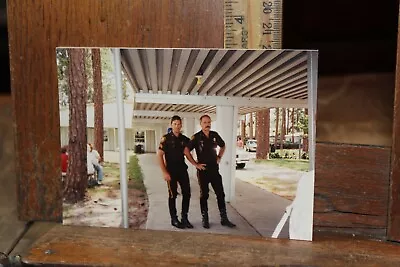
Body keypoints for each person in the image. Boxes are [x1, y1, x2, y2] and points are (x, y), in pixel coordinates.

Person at [184, 114, 236, 229]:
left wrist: (219, 157)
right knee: (204, 195)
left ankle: (224, 218)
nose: (207, 124)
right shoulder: (196, 137)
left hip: (214, 170)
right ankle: (205, 218)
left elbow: (223, 146)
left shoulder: (214, 135)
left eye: (209, 122)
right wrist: (195, 164)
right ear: (201, 124)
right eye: (205, 122)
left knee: (220, 194)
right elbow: (186, 150)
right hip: (203, 171)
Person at [158, 115, 193, 229]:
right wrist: (164, 172)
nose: (177, 126)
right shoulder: (165, 138)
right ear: (171, 125)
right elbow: (159, 156)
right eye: (175, 124)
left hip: (182, 170)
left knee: (187, 193)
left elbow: (192, 147)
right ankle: (174, 219)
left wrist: (197, 163)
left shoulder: (184, 139)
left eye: (179, 124)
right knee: (172, 195)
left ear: (181, 125)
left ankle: (184, 218)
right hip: (171, 171)